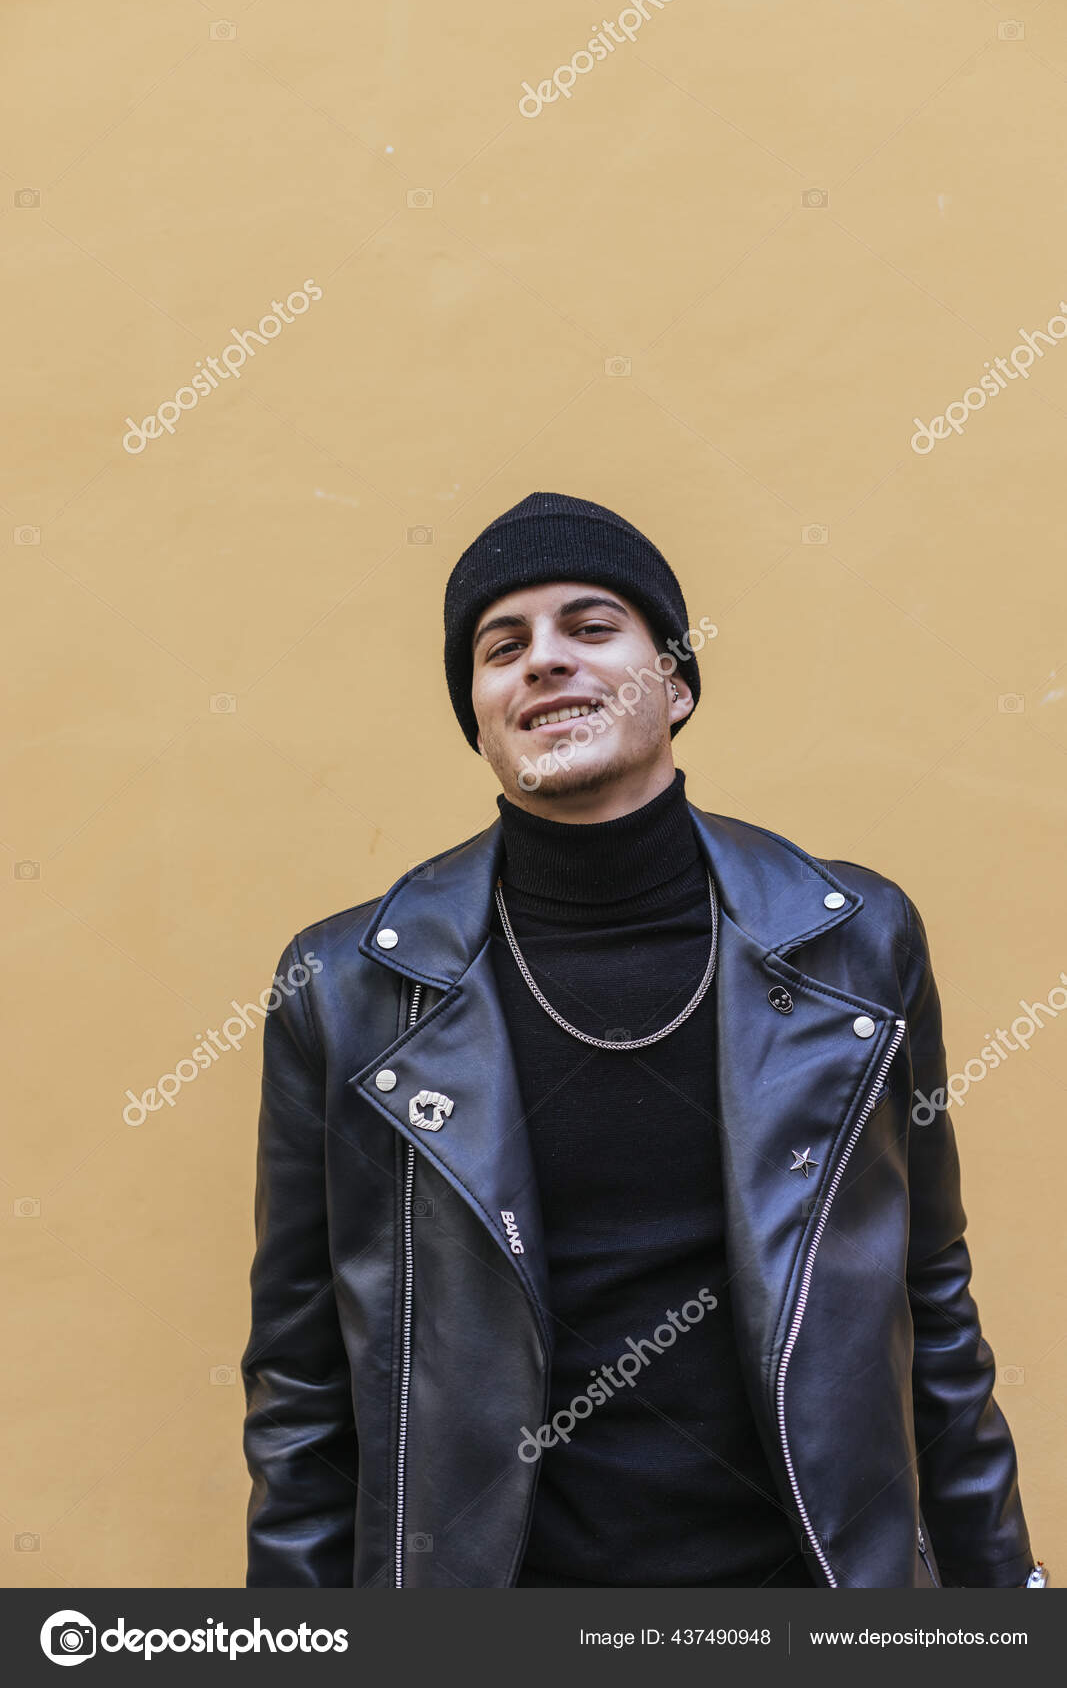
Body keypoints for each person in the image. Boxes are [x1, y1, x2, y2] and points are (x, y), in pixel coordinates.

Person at [240, 491, 1043, 1589]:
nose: (543, 662)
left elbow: (932, 1308)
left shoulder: (853, 944)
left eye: (590, 626)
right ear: (478, 712)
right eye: (502, 645)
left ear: (673, 680)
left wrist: (1002, 1604)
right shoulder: (347, 987)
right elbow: (301, 1383)